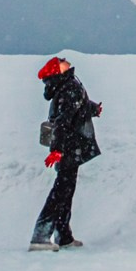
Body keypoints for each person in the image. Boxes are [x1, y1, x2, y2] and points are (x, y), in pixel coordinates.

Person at [29, 56, 102, 251]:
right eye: (62, 64)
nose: (67, 65)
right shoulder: (69, 88)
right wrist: (57, 151)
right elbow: (63, 122)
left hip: (70, 148)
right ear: (57, 71)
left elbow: (79, 106)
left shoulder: (68, 86)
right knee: (61, 193)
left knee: (65, 192)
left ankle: (64, 236)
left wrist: (94, 109)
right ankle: (41, 236)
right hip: (69, 148)